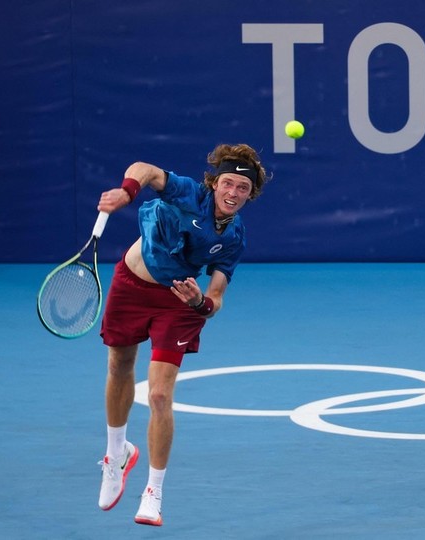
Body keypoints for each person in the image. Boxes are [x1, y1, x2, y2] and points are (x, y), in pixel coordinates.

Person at [95, 143, 269, 526]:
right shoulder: (188, 193)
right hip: (131, 284)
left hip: (179, 301)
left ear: (250, 193)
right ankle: (116, 454)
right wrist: (127, 191)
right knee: (119, 364)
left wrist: (199, 305)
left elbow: (217, 297)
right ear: (214, 183)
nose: (233, 193)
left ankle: (154, 492)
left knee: (159, 394)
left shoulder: (235, 238)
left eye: (242, 188)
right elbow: (144, 167)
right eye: (228, 183)